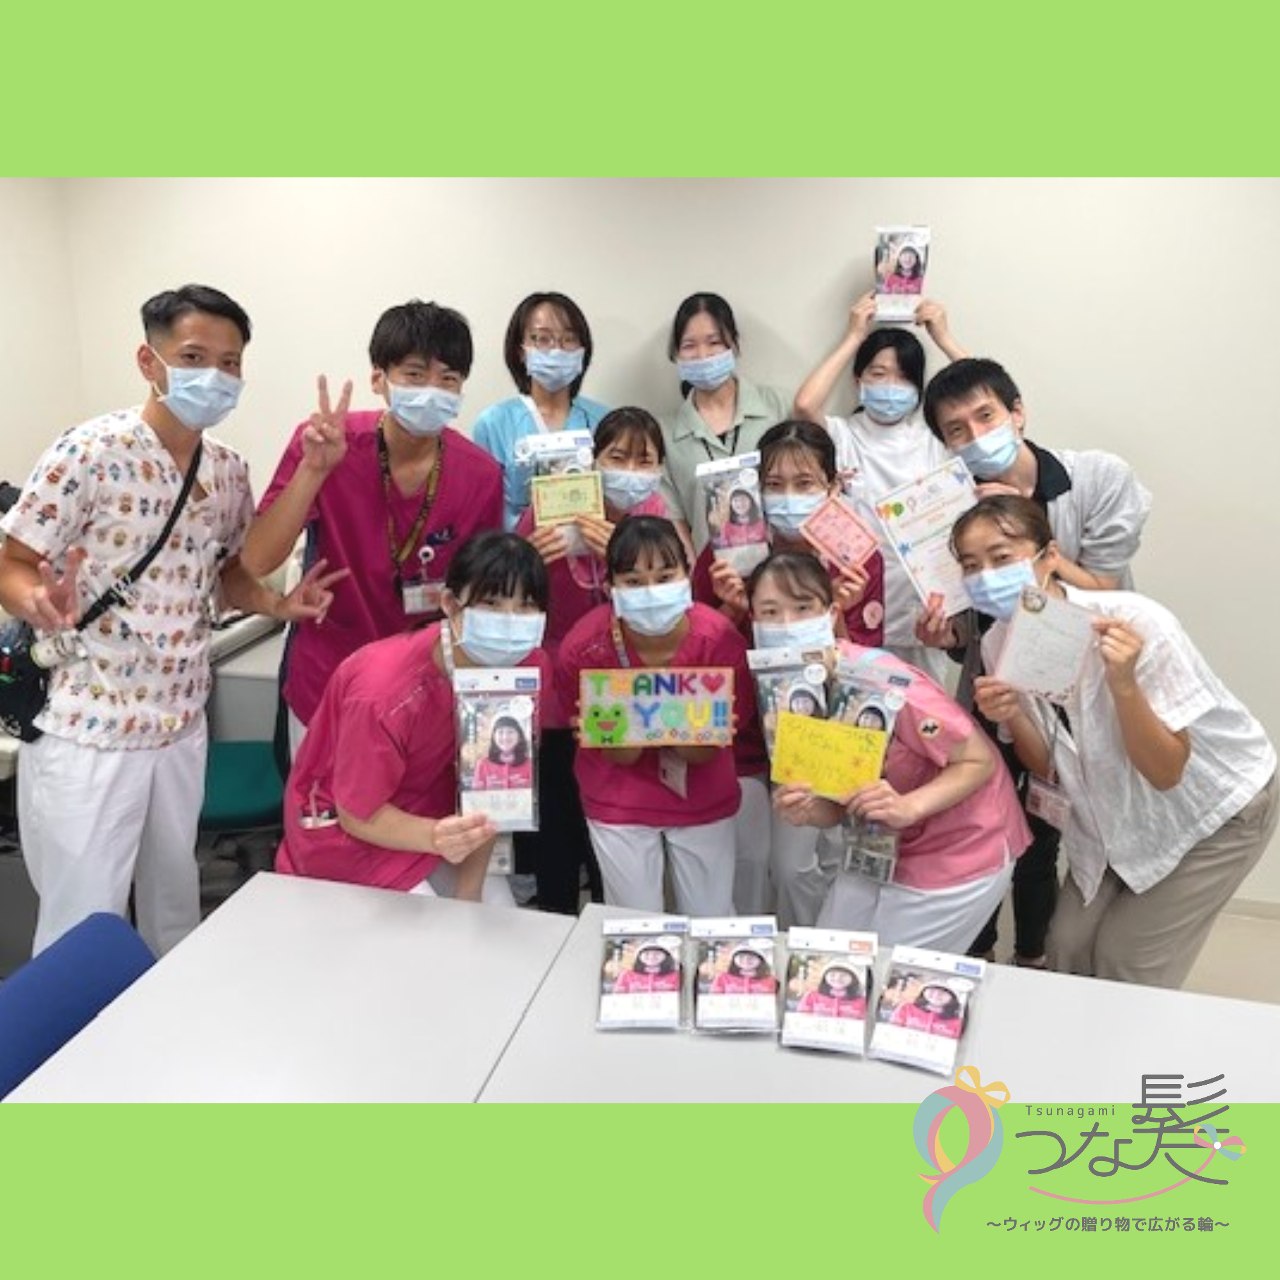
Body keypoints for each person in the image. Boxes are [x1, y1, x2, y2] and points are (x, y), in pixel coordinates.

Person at [0, 284, 339, 955]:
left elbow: (229, 574)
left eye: (230, 362)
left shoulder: (227, 471)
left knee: (175, 900)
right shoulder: (89, 451)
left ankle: (168, 1009)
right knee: (83, 920)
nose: (215, 375)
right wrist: (33, 599)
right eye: (194, 356)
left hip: (180, 722)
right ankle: (80, 1024)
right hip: (91, 727)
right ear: (149, 361)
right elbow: (14, 560)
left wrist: (276, 603)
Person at [956, 496, 1278, 989]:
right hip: (1113, 815)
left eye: (1001, 558)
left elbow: (1166, 772)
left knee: (1125, 961)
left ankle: (1132, 1039)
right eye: (970, 566)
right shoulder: (1001, 642)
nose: (986, 577)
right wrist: (1013, 714)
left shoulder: (1137, 623)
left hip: (1212, 812)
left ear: (1049, 555)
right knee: (1065, 947)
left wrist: (1124, 685)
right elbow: (1046, 768)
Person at [918, 357, 1153, 969]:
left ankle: (1035, 957)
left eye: (986, 416)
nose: (975, 436)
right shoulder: (946, 511)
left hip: (1084, 685)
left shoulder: (1096, 478)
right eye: (956, 431)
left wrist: (1029, 541)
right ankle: (976, 953)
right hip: (996, 685)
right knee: (980, 816)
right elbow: (970, 627)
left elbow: (1105, 589)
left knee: (1048, 827)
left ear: (1017, 413)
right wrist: (944, 634)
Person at [241, 300, 504, 756]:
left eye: (448, 379)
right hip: (327, 676)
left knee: (405, 801)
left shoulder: (480, 474)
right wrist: (314, 470)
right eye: (415, 374)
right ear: (378, 379)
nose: (432, 391)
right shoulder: (327, 442)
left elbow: (480, 593)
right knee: (319, 800)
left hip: (423, 683)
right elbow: (257, 560)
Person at [756, 551, 1031, 946]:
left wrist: (908, 808)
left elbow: (978, 760)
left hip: (960, 847)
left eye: (802, 608)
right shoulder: (783, 696)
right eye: (769, 612)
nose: (786, 625)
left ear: (831, 614)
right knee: (824, 957)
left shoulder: (883, 682)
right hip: (877, 847)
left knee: (893, 974)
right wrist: (805, 810)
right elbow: (835, 804)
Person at [275, 531, 551, 903]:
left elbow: (491, 789)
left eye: (526, 606)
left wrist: (469, 893)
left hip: (439, 819)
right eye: (491, 603)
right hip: (349, 832)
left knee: (494, 917)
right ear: (450, 603)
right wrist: (437, 837)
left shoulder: (528, 668)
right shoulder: (384, 692)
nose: (509, 621)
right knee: (429, 932)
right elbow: (358, 813)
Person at [515, 406, 685, 914]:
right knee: (555, 814)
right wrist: (527, 556)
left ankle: (610, 915)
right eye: (617, 457)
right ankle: (556, 911)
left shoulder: (653, 517)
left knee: (613, 809)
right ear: (593, 461)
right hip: (553, 686)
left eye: (643, 460)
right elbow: (512, 587)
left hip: (622, 685)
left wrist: (625, 555)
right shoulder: (551, 507)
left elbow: (673, 599)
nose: (630, 471)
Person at [556, 516, 753, 916]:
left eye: (665, 577)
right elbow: (618, 752)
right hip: (617, 796)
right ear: (610, 587)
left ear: (687, 575)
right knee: (634, 920)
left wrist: (651, 725)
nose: (651, 592)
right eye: (633, 581)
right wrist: (670, 724)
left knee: (710, 916)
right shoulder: (584, 648)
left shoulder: (719, 641)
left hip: (702, 793)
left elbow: (707, 750)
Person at [793, 294, 966, 679]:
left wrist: (944, 338)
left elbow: (982, 399)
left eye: (904, 377)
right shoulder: (840, 435)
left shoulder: (934, 439)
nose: (891, 386)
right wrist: (854, 335)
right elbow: (804, 406)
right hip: (853, 602)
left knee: (923, 707)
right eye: (878, 373)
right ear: (858, 381)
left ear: (919, 388)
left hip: (923, 610)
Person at [659, 292, 790, 552]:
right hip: (709, 571)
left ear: (734, 345)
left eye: (714, 342)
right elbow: (676, 522)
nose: (702, 355)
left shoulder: (778, 406)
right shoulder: (664, 432)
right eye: (689, 345)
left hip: (779, 568)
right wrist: (695, 572)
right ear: (676, 354)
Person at [472, 292, 609, 530]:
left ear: (582, 351)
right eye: (542, 339)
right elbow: (483, 510)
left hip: (589, 548)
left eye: (569, 339)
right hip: (516, 551)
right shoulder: (494, 423)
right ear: (521, 351)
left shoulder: (604, 420)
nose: (556, 350)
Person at [472, 716, 532, 790]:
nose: (505, 737)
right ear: (494, 737)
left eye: (510, 732)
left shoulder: (531, 765)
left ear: (519, 736)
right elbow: (476, 794)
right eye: (500, 732)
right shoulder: (483, 764)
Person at [891, 983, 963, 1037]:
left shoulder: (957, 1023)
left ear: (953, 997)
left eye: (944, 991)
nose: (936, 994)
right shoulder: (906, 1008)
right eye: (932, 989)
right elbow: (892, 1031)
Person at [797, 964, 866, 1018]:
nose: (837, 978)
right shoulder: (811, 996)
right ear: (825, 977)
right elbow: (801, 1019)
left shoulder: (863, 1002)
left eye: (844, 975)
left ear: (853, 978)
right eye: (832, 975)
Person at [613, 943, 680, 993]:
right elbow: (618, 996)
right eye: (647, 954)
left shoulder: (676, 975)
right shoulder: (626, 975)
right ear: (639, 957)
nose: (651, 957)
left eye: (657, 953)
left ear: (666, 956)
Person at [709, 945, 777, 994]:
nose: (746, 960)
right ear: (734, 959)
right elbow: (714, 1000)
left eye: (751, 957)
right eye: (741, 957)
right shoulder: (722, 978)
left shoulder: (771, 980)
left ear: (761, 960)